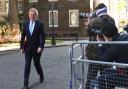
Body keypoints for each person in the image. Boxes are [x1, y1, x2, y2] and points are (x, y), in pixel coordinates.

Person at [85, 3, 115, 89]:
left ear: (97, 11)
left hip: (94, 54)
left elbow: (87, 33)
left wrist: (88, 23)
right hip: (107, 53)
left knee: (91, 77)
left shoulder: (94, 20)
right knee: (107, 78)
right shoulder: (112, 20)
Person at [96, 22, 128, 89]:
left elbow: (102, 61)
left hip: (125, 75)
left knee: (102, 79)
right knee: (106, 72)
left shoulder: (116, 45)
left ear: (106, 35)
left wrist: (100, 44)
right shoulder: (122, 37)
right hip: (123, 71)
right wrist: (107, 42)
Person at [20, 8, 45, 89]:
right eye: (31, 14)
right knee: (27, 65)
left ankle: (41, 75)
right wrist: (21, 47)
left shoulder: (40, 24)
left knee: (36, 64)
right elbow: (23, 36)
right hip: (27, 48)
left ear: (36, 15)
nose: (32, 16)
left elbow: (43, 37)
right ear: (28, 15)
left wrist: (41, 47)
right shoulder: (25, 23)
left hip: (37, 49)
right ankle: (25, 84)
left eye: (34, 15)